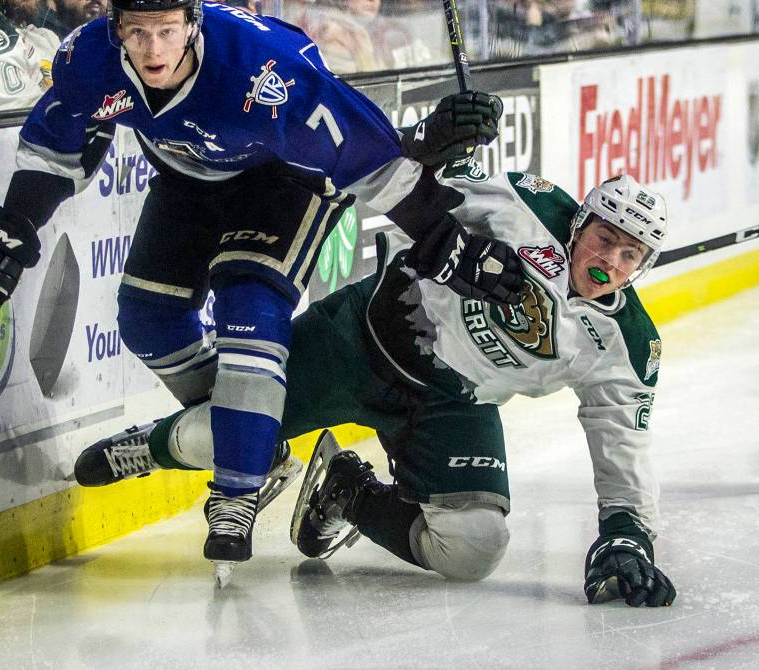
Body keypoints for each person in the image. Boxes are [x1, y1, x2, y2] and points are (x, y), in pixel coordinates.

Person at [0, 0, 517, 580]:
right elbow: (59, 152)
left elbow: (374, 165)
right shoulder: (88, 56)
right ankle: (250, 437)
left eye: (167, 31)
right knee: (146, 321)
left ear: (194, 21)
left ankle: (237, 487)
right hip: (188, 178)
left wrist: (447, 244)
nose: (154, 50)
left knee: (250, 313)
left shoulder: (263, 70)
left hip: (284, 183)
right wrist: (11, 234)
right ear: (117, 28)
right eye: (137, 33)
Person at [75, 168, 677, 608]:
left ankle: (348, 490)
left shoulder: (626, 341)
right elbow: (415, 186)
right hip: (363, 338)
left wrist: (627, 533)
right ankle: (153, 444)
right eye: (604, 239)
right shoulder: (521, 205)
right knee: (219, 437)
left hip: (451, 403)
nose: (611, 263)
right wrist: (443, 148)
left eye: (631, 255)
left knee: (472, 550)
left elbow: (621, 441)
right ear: (580, 223)